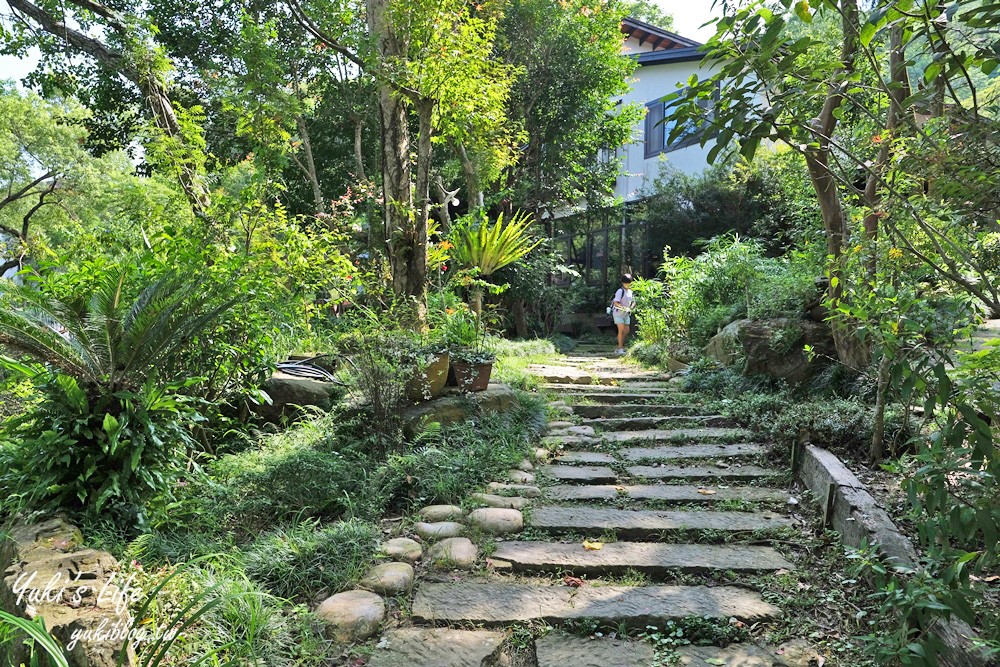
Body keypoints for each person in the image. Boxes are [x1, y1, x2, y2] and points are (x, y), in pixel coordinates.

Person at [611, 274, 634, 355]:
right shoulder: (620, 291)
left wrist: (630, 308)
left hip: (626, 314)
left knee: (626, 330)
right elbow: (616, 302)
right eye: (625, 283)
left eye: (628, 283)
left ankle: (618, 347)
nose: (627, 284)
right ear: (622, 283)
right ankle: (620, 348)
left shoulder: (631, 292)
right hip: (618, 313)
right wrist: (624, 308)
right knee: (621, 330)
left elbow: (633, 302)